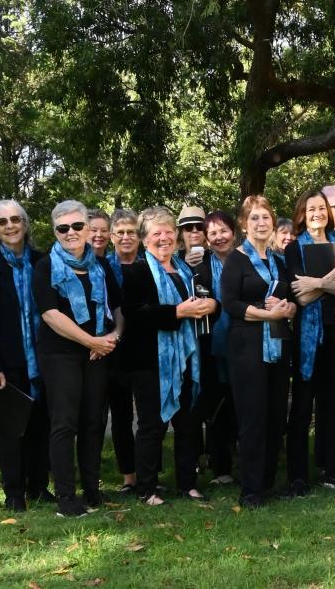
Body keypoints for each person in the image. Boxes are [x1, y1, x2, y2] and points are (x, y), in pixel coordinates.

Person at [33, 200, 124, 517]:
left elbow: (117, 309)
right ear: (55, 232)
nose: (71, 232)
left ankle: (92, 490)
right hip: (61, 354)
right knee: (64, 424)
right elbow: (50, 314)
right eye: (63, 228)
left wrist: (113, 337)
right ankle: (67, 499)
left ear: (88, 228)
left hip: (98, 352)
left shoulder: (100, 266)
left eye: (77, 226)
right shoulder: (45, 267)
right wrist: (92, 341)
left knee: (93, 422)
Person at [121, 206, 215, 505]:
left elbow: (206, 300)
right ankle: (147, 488)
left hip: (188, 356)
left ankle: (187, 483)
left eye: (168, 232)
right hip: (150, 361)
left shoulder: (187, 270)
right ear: (144, 239)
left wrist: (212, 305)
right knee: (153, 424)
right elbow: (135, 315)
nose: (164, 238)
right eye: (156, 234)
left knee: (187, 423)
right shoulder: (136, 271)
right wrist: (177, 312)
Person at [0, 199, 52, 512]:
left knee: (41, 426)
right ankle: (14, 493)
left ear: (25, 224)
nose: (10, 226)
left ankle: (38, 486)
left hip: (45, 358)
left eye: (15, 220)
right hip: (6, 362)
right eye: (2, 222)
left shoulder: (42, 261)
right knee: (9, 429)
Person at [222, 195, 297, 508]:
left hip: (278, 342)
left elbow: (293, 299)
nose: (261, 223)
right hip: (247, 344)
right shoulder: (236, 260)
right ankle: (250, 489)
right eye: (254, 218)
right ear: (243, 224)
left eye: (265, 217)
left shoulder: (280, 260)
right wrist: (268, 315)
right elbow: (231, 304)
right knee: (252, 415)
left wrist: (288, 308)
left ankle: (267, 481)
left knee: (275, 414)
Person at [285, 190, 335, 494]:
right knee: (301, 406)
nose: (317, 213)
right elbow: (299, 298)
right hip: (306, 337)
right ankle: (298, 475)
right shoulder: (293, 251)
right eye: (311, 209)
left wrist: (317, 283)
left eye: (321, 208)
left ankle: (334, 469)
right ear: (302, 214)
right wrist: (334, 276)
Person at [198, 209, 240, 485]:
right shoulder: (199, 265)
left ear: (234, 233)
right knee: (216, 405)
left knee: (242, 403)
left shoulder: (247, 259)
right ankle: (221, 468)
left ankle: (247, 460)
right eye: (212, 233)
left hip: (247, 341)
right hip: (213, 344)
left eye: (223, 230)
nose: (219, 237)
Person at [105, 208, 141, 493]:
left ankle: (150, 471)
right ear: (111, 236)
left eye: (131, 232)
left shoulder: (151, 264)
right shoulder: (103, 267)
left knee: (150, 414)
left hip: (146, 348)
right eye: (121, 232)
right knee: (121, 416)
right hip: (114, 350)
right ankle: (129, 476)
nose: (126, 237)